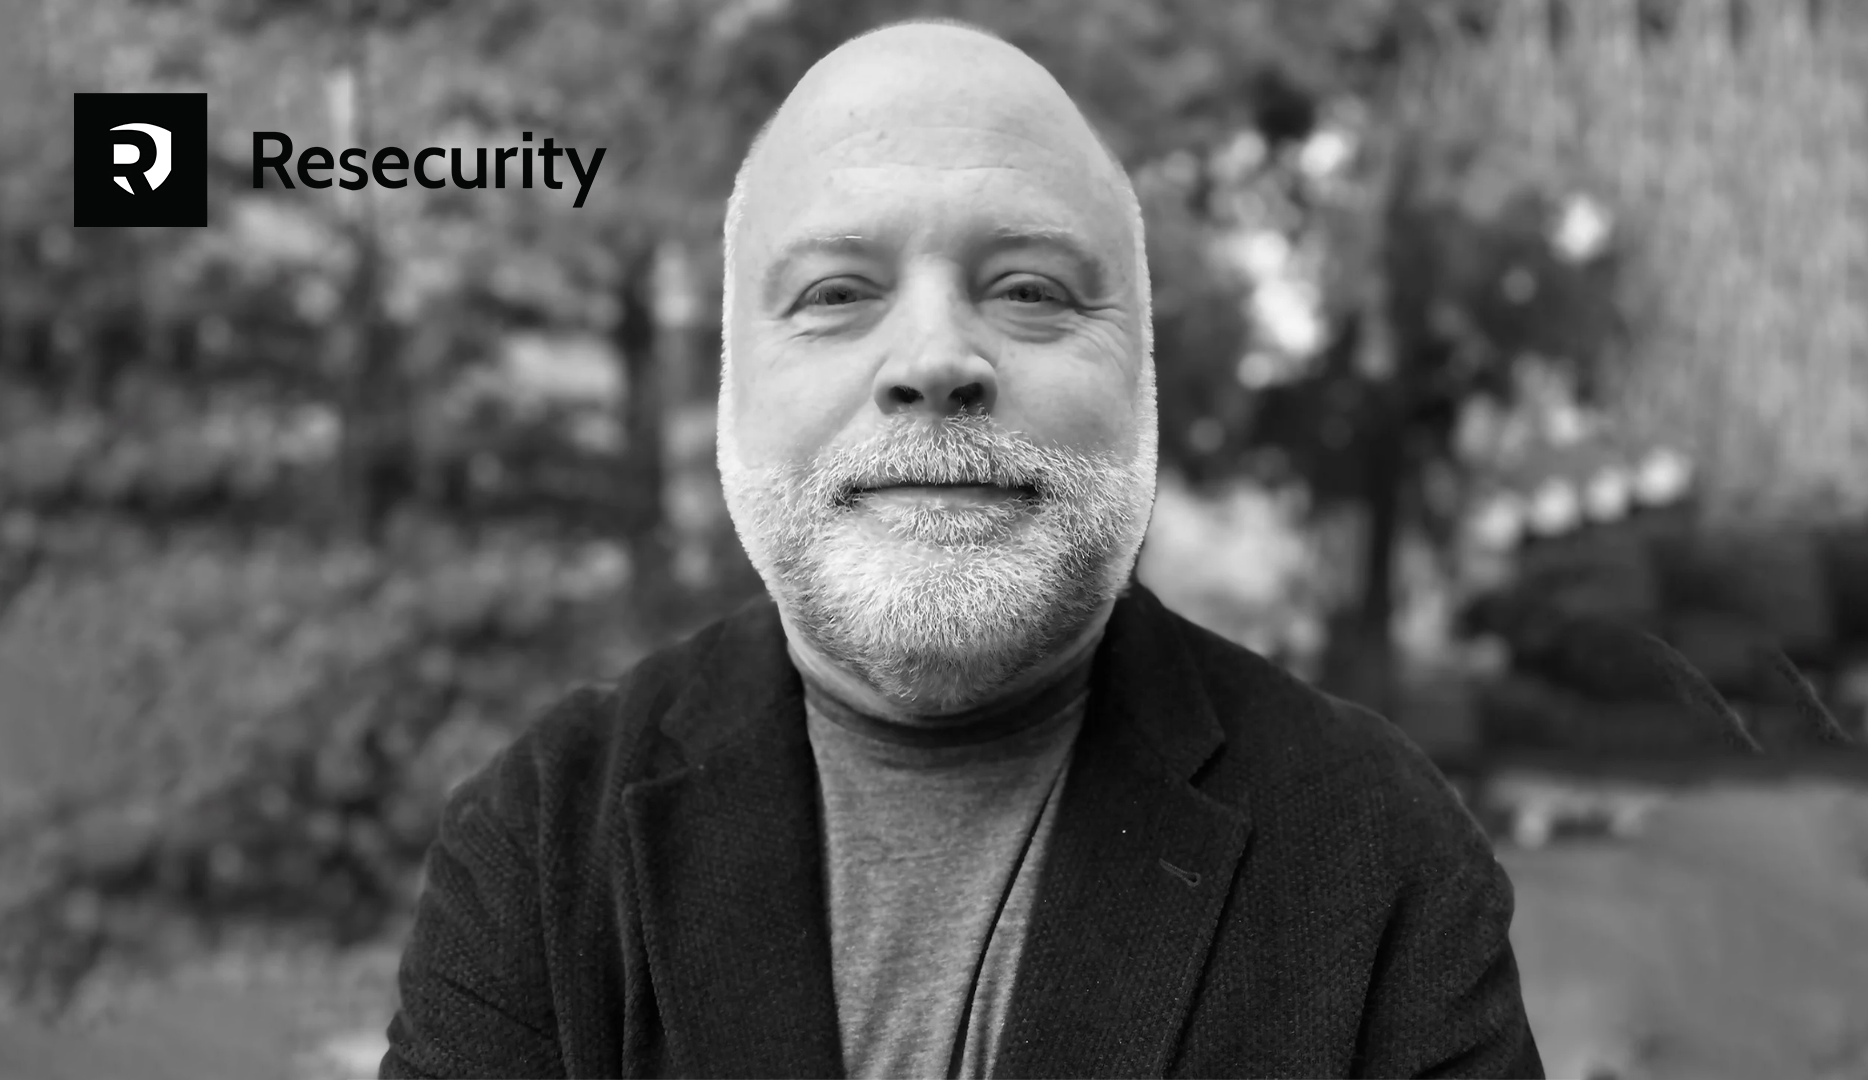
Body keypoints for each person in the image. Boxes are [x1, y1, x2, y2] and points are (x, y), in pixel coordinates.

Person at [380, 19, 1543, 1080]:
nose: (935, 356)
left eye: (1029, 289)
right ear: (735, 393)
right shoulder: (542, 841)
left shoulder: (1375, 849)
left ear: (1139, 385)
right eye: (838, 292)